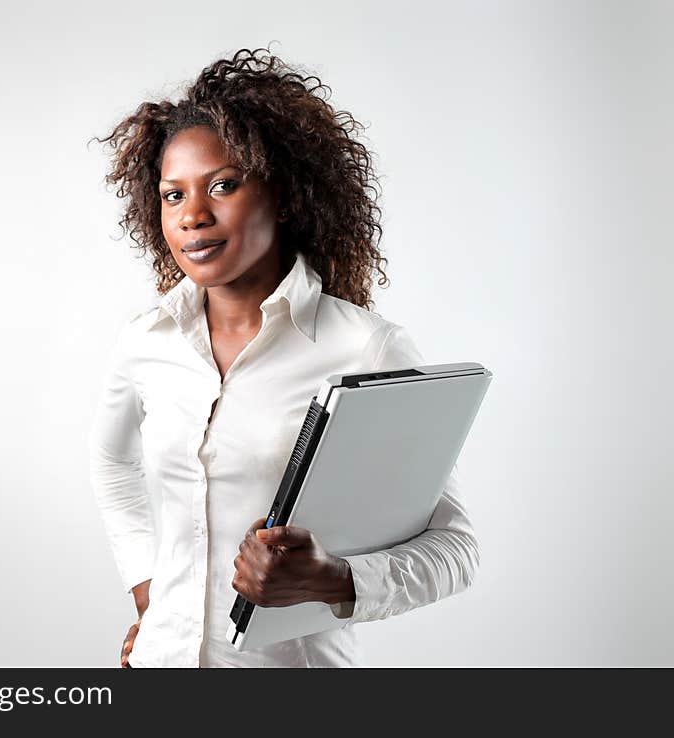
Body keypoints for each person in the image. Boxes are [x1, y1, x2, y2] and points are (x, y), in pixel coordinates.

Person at [88, 47, 480, 668]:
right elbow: (113, 465)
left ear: (284, 193)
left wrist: (331, 578)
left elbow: (454, 550)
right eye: (172, 195)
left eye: (223, 185)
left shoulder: (365, 350)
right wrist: (151, 597)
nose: (193, 215)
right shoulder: (146, 341)